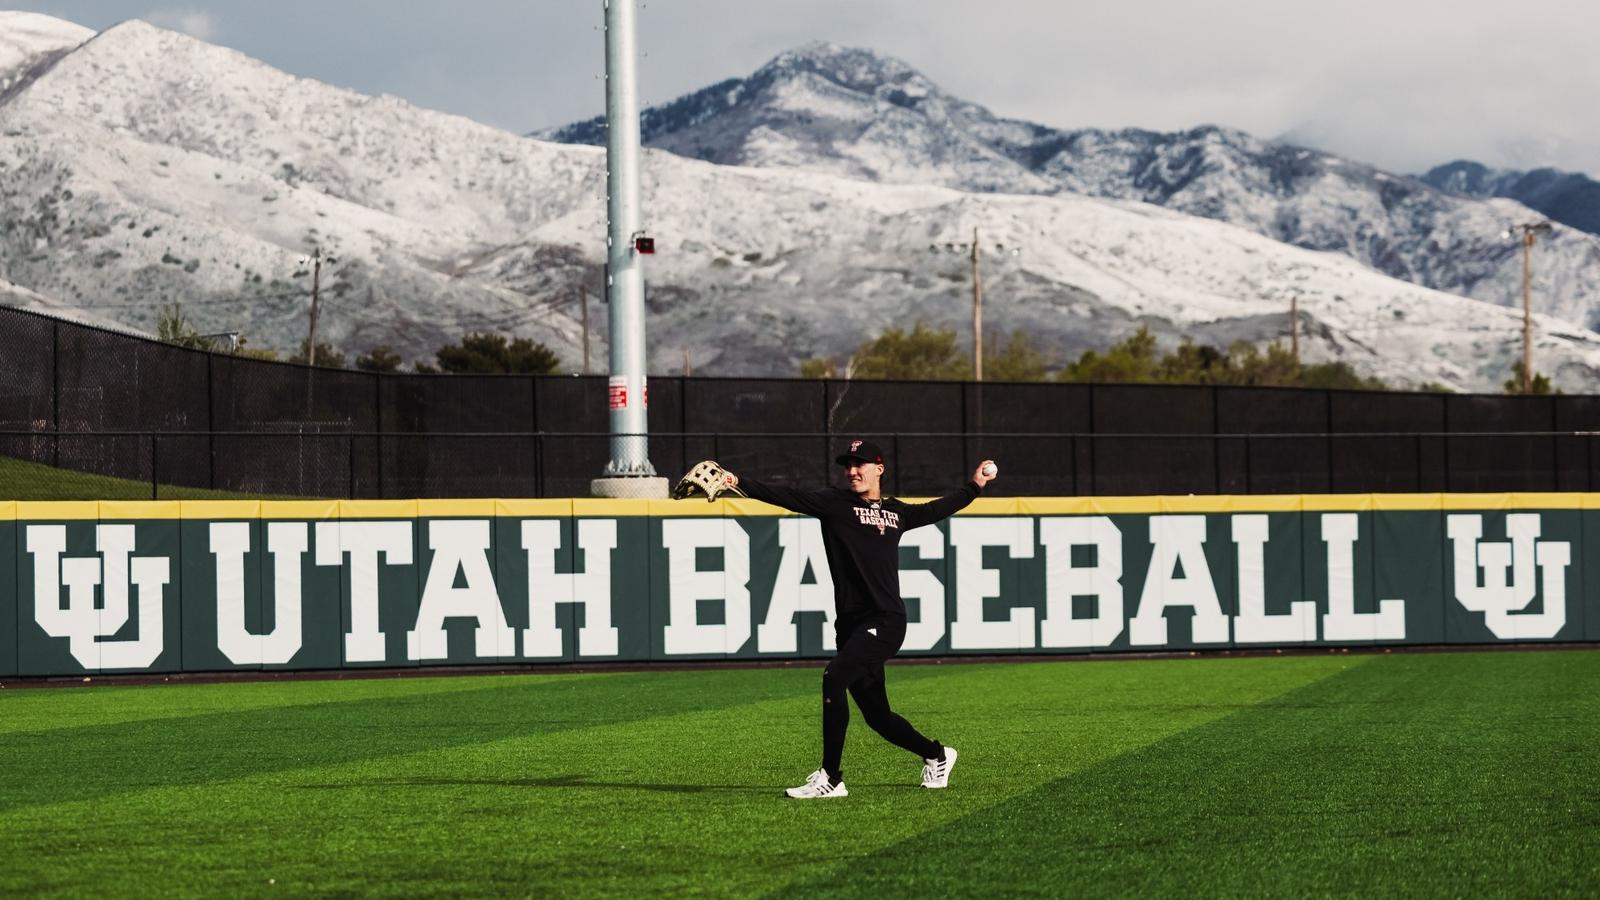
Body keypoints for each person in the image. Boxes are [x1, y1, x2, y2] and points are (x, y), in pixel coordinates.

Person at [728, 439, 996, 799]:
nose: (852, 470)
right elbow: (783, 494)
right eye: (848, 465)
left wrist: (974, 487)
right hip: (852, 627)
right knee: (878, 717)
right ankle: (937, 755)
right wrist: (735, 480)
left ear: (879, 469)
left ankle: (832, 778)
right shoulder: (834, 504)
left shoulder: (897, 512)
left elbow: (937, 509)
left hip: (886, 621)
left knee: (833, 677)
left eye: (861, 464)